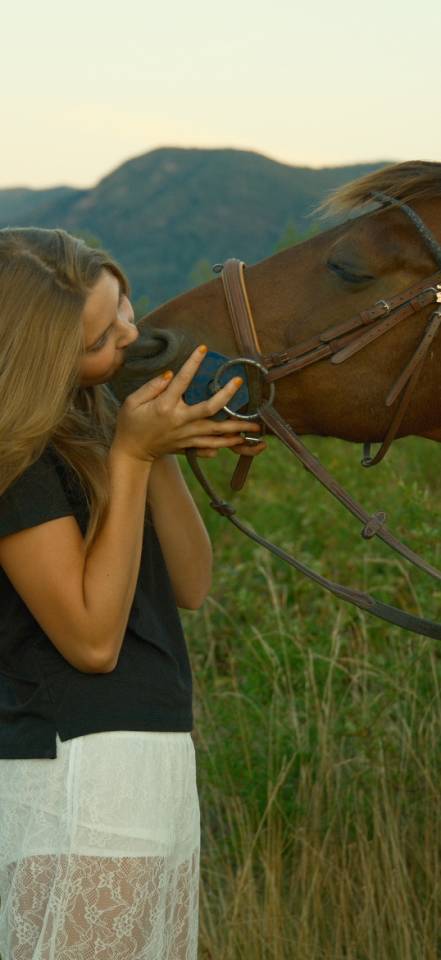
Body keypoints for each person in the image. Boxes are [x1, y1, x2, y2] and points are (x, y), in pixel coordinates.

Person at [0, 227, 266, 959]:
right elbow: (90, 642)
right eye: (98, 342)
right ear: (43, 359)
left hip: (150, 757)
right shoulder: (17, 462)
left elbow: (192, 583)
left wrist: (158, 450)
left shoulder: (96, 428)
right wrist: (131, 454)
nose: (128, 339)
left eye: (123, 309)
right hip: (74, 769)